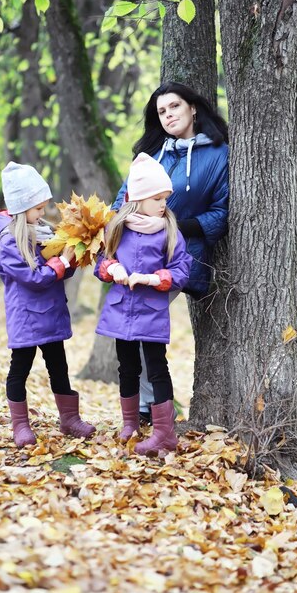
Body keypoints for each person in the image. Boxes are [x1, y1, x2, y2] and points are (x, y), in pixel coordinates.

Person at [113, 81, 229, 424]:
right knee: (134, 329)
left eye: (174, 107)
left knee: (143, 327)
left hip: (178, 256)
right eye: (162, 111)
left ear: (193, 108)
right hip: (132, 255)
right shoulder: (151, 155)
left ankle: (154, 411)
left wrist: (171, 227)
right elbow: (123, 198)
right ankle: (148, 410)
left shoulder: (219, 155)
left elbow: (221, 216)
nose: (168, 115)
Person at [94, 153, 192, 456]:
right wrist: (113, 270)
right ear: (137, 199)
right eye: (156, 198)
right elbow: (101, 261)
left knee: (157, 368)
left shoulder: (169, 231)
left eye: (164, 198)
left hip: (151, 313)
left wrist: (155, 279)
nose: (162, 204)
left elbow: (181, 269)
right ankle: (130, 423)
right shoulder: (116, 228)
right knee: (127, 367)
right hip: (121, 310)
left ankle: (165, 432)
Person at [0, 161, 96, 448]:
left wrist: (72, 258)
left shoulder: (44, 232)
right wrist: (60, 264)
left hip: (49, 313)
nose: (42, 214)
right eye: (37, 208)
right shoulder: (10, 241)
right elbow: (34, 278)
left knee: (59, 366)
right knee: (19, 369)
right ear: (20, 207)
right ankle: (20, 425)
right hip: (26, 316)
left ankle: (69, 418)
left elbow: (58, 269)